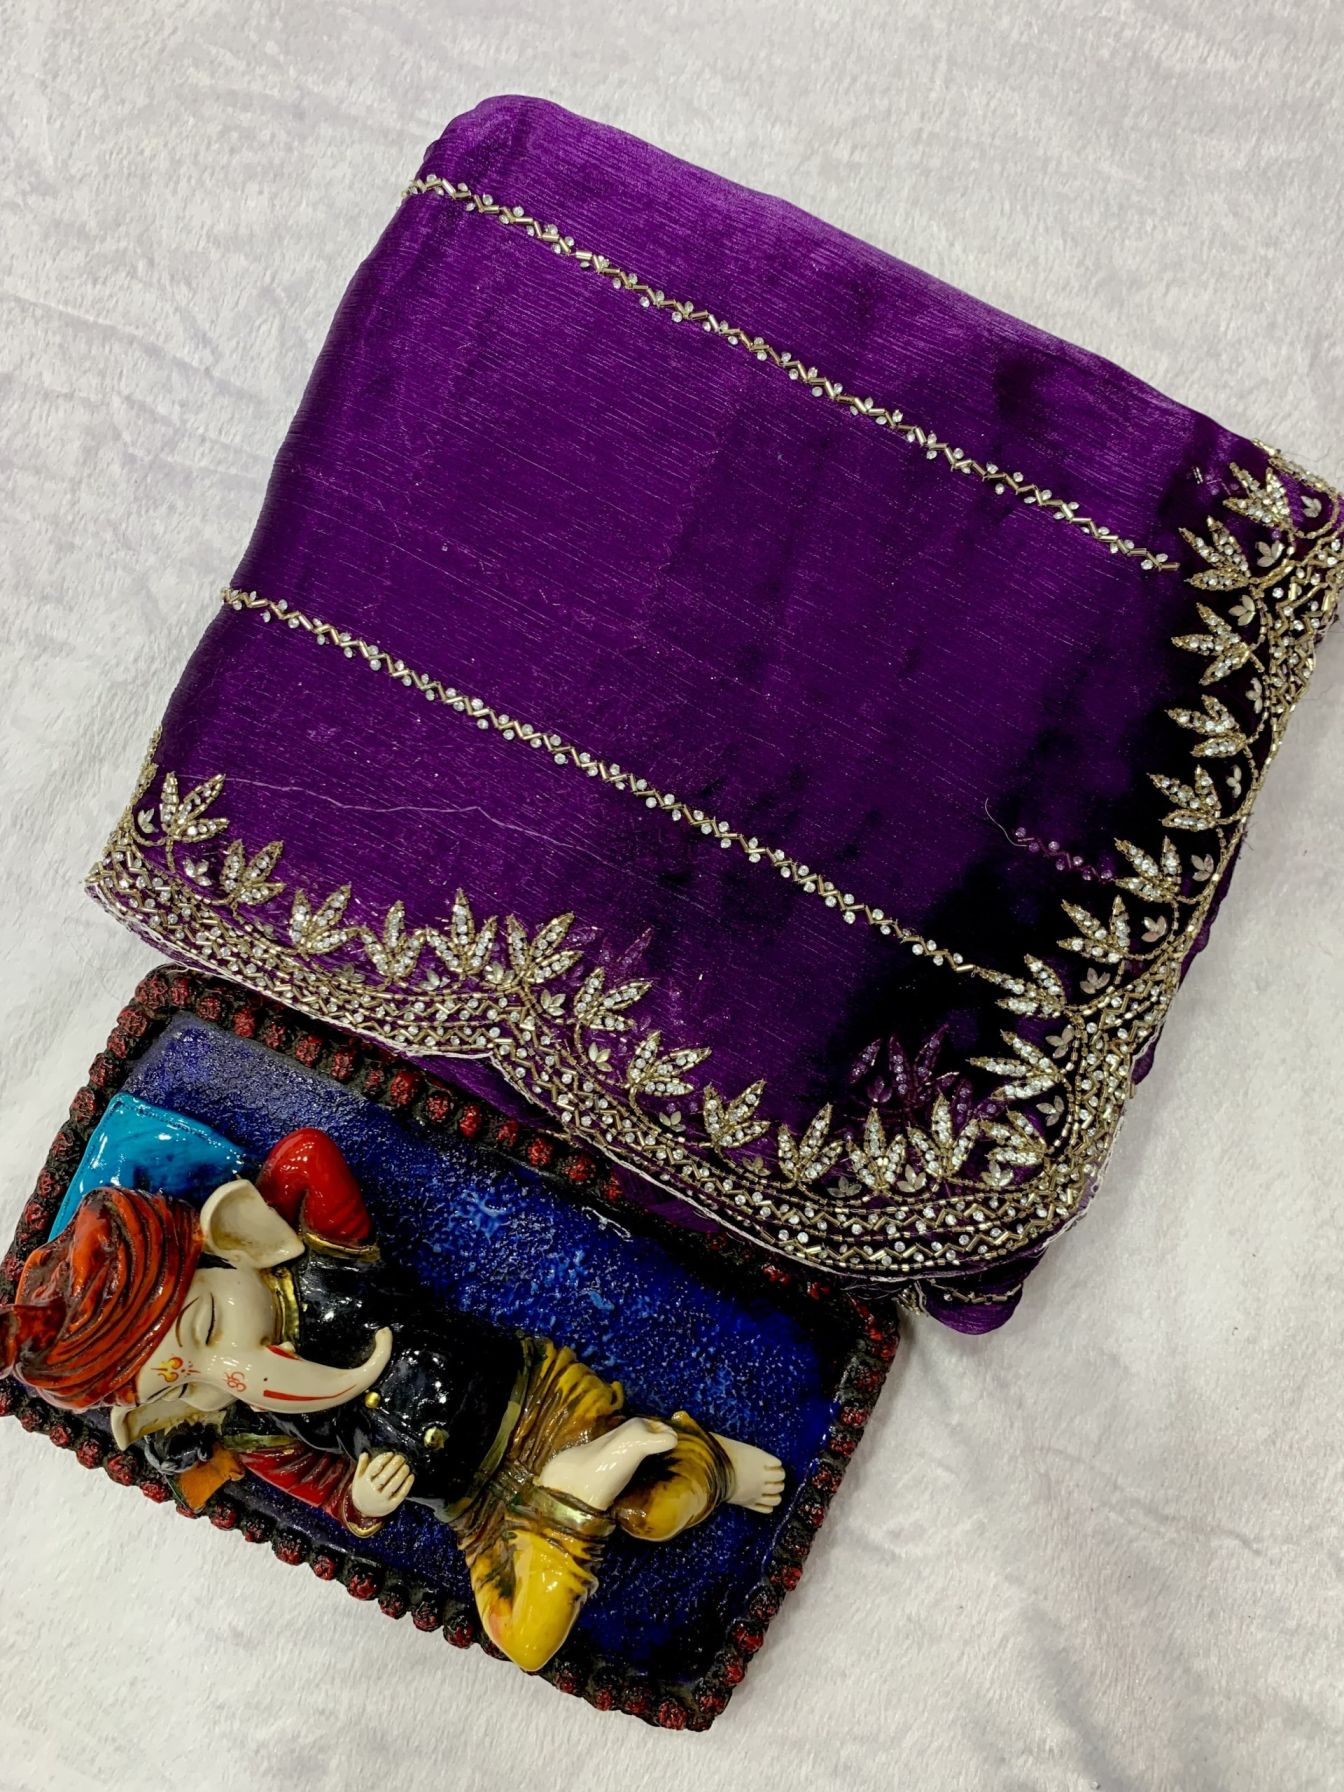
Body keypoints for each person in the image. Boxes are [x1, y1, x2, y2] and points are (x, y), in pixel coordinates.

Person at [0, 1128, 784, 1672]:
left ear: (225, 1250)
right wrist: (368, 1504)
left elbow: (309, 1154)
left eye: (208, 1326)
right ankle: (585, 1487)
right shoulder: (260, 1434)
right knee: (525, 1641)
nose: (229, 1372)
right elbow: (331, 1497)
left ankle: (704, 1462)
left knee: (654, 1513)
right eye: (186, 1382)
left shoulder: (325, 1267)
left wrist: (262, 1232)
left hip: (534, 1400)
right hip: (475, 1508)